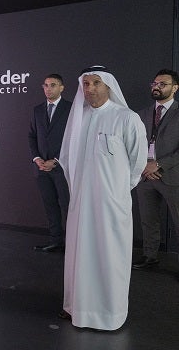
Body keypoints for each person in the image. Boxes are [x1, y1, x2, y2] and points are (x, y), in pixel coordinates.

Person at [58, 65, 147, 330]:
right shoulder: (78, 117)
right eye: (86, 84)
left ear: (108, 85)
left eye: (96, 83)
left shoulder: (126, 117)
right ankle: (77, 307)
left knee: (109, 256)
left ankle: (109, 314)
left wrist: (116, 192)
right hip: (81, 203)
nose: (90, 88)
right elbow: (67, 157)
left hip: (111, 204)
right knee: (80, 255)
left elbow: (138, 162)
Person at [133, 69, 179, 271]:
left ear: (175, 88)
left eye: (163, 84)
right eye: (154, 84)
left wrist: (159, 164)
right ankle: (150, 256)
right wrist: (143, 165)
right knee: (148, 220)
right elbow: (133, 144)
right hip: (145, 175)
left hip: (172, 175)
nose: (157, 87)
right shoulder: (141, 114)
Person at [28, 74, 71, 252]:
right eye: (45, 85)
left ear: (61, 88)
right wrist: (37, 158)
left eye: (53, 85)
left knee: (67, 206)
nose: (48, 88)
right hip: (42, 169)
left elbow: (73, 138)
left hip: (63, 167)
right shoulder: (37, 110)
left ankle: (72, 244)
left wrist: (56, 160)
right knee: (50, 205)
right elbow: (32, 136)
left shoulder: (71, 109)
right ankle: (55, 241)